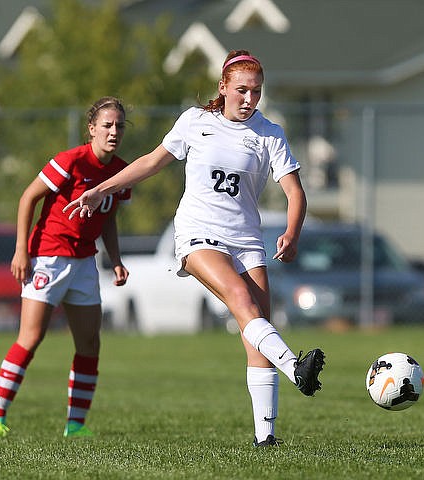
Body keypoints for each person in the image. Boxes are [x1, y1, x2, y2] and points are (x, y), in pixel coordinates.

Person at [64, 50, 325, 447]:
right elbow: (152, 162)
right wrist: (101, 188)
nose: (249, 99)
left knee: (255, 330)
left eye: (256, 92)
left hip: (247, 240)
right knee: (241, 300)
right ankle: (295, 367)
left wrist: (292, 231)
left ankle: (266, 438)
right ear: (223, 87)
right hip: (198, 234)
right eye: (241, 90)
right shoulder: (195, 121)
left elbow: (295, 192)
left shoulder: (269, 133)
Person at [0, 97, 131, 438]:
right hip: (48, 257)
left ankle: (76, 426)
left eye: (119, 125)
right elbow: (27, 198)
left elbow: (107, 219)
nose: (113, 131)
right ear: (91, 129)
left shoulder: (121, 171)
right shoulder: (71, 161)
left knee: (90, 343)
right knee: (31, 338)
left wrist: (116, 260)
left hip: (85, 263)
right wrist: (21, 251)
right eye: (107, 125)